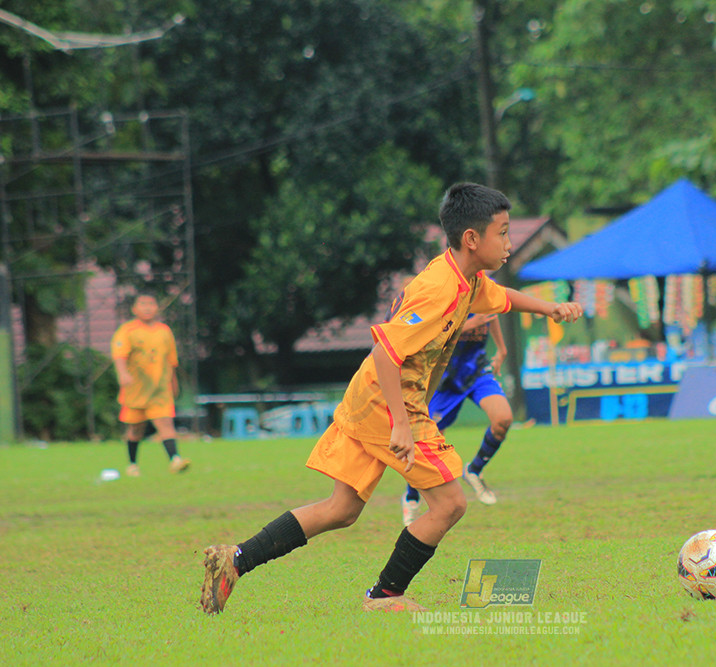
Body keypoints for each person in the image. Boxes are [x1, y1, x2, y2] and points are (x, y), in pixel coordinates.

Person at [199, 182, 582, 614]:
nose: (510, 243)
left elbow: (501, 298)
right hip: (389, 403)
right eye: (504, 233)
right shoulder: (439, 288)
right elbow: (385, 351)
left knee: (341, 509)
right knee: (451, 503)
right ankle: (385, 595)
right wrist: (401, 423)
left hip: (369, 398)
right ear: (472, 239)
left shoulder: (466, 279)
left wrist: (549, 308)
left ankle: (235, 560)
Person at [401, 311, 510, 526]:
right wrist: (470, 324)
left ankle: (474, 470)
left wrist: (502, 348)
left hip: (477, 370)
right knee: (426, 441)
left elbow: (493, 311)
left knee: (503, 419)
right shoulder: (445, 294)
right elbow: (431, 333)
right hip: (445, 376)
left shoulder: (484, 292)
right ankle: (411, 497)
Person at [111, 293, 190, 476]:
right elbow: (119, 355)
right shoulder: (127, 331)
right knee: (135, 428)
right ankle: (132, 464)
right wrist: (122, 374)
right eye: (143, 304)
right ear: (134, 309)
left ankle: (175, 459)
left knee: (165, 423)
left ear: (157, 308)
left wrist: (174, 382)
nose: (147, 307)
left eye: (151, 304)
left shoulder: (164, 331)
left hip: (160, 389)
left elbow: (171, 361)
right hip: (136, 389)